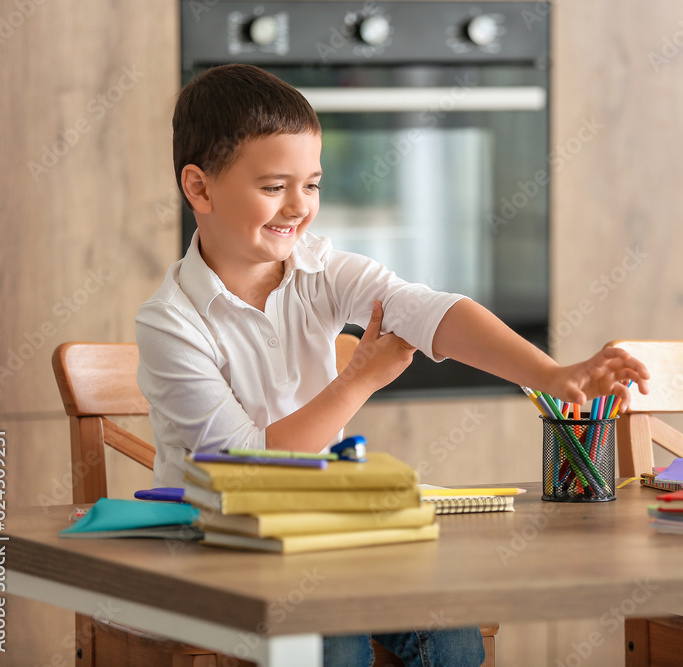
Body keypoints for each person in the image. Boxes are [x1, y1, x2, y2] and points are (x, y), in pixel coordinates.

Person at [136, 63, 649, 667]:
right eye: (274, 187)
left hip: (321, 534)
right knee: (338, 642)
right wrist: (359, 380)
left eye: (313, 184)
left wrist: (551, 375)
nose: (299, 207)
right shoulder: (170, 321)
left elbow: (428, 311)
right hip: (214, 547)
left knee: (450, 634)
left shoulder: (320, 269)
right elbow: (246, 471)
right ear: (198, 188)